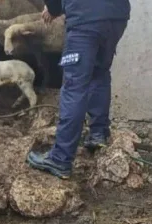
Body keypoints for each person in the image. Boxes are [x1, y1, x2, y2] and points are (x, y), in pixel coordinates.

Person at [27, 0, 131, 179]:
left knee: (74, 85)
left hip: (85, 18)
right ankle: (98, 133)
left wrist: (53, 9)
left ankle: (61, 158)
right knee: (99, 72)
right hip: (116, 16)